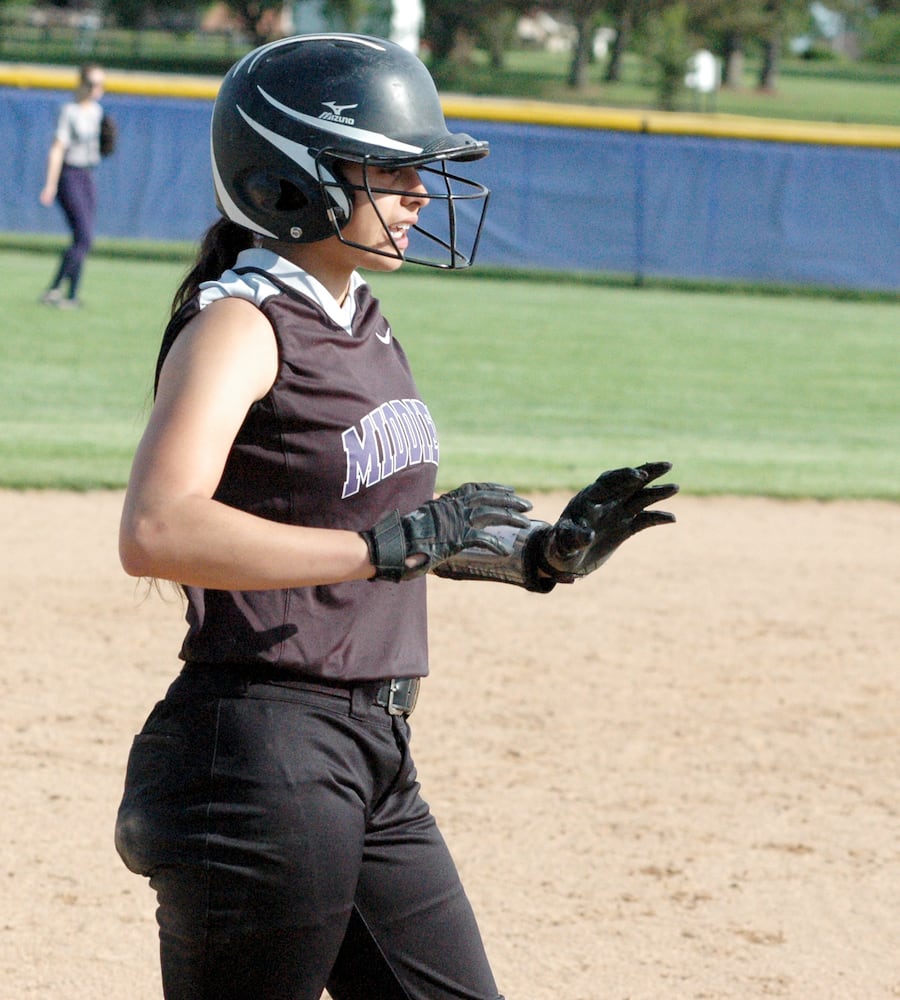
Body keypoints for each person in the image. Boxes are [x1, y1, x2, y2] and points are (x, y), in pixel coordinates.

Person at [113, 33, 678, 1000]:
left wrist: (534, 554)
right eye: (394, 165)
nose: (421, 190)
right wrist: (384, 547)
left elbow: (398, 522)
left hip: (369, 753)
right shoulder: (240, 324)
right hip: (257, 760)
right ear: (297, 174)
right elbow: (158, 530)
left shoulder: (356, 313)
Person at [38, 62, 106, 308]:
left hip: (87, 175)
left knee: (83, 239)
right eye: (92, 83)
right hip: (70, 176)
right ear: (81, 84)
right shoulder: (70, 111)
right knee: (84, 237)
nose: (97, 88)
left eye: (101, 84)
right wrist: (50, 185)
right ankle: (64, 292)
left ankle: (62, 293)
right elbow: (57, 149)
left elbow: (99, 147)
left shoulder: (97, 111)